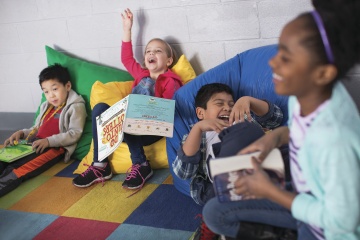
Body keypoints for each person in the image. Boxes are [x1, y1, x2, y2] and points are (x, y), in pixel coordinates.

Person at [202, 1, 360, 239]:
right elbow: (298, 131)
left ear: (323, 73)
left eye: (286, 58)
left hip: (325, 229)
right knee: (214, 212)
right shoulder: (304, 96)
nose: (272, 63)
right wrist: (274, 138)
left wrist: (269, 191)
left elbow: (342, 222)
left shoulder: (334, 138)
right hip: (300, 190)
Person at [73, 8, 183, 190]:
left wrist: (142, 111)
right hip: (127, 126)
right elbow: (126, 58)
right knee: (100, 108)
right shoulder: (141, 74)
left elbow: (169, 110)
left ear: (169, 61)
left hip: (152, 129)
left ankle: (141, 164)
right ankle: (100, 165)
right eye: (148, 51)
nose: (151, 54)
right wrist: (127, 29)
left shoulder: (170, 81)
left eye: (157, 51)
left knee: (129, 113)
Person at [172, 83, 284, 240]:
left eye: (231, 104)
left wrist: (248, 101)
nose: (228, 108)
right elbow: (183, 172)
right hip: (218, 186)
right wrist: (197, 129)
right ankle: (217, 225)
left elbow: (275, 119)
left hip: (258, 172)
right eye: (219, 104)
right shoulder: (198, 136)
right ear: (200, 113)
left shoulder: (244, 122)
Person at [0, 64, 87, 197]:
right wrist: (22, 133)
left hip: (52, 149)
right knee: (3, 159)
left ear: (67, 86)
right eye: (46, 91)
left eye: (55, 89)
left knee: (17, 170)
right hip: (32, 143)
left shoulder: (76, 107)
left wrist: (48, 141)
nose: (51, 95)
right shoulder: (46, 106)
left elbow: (74, 134)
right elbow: (36, 128)